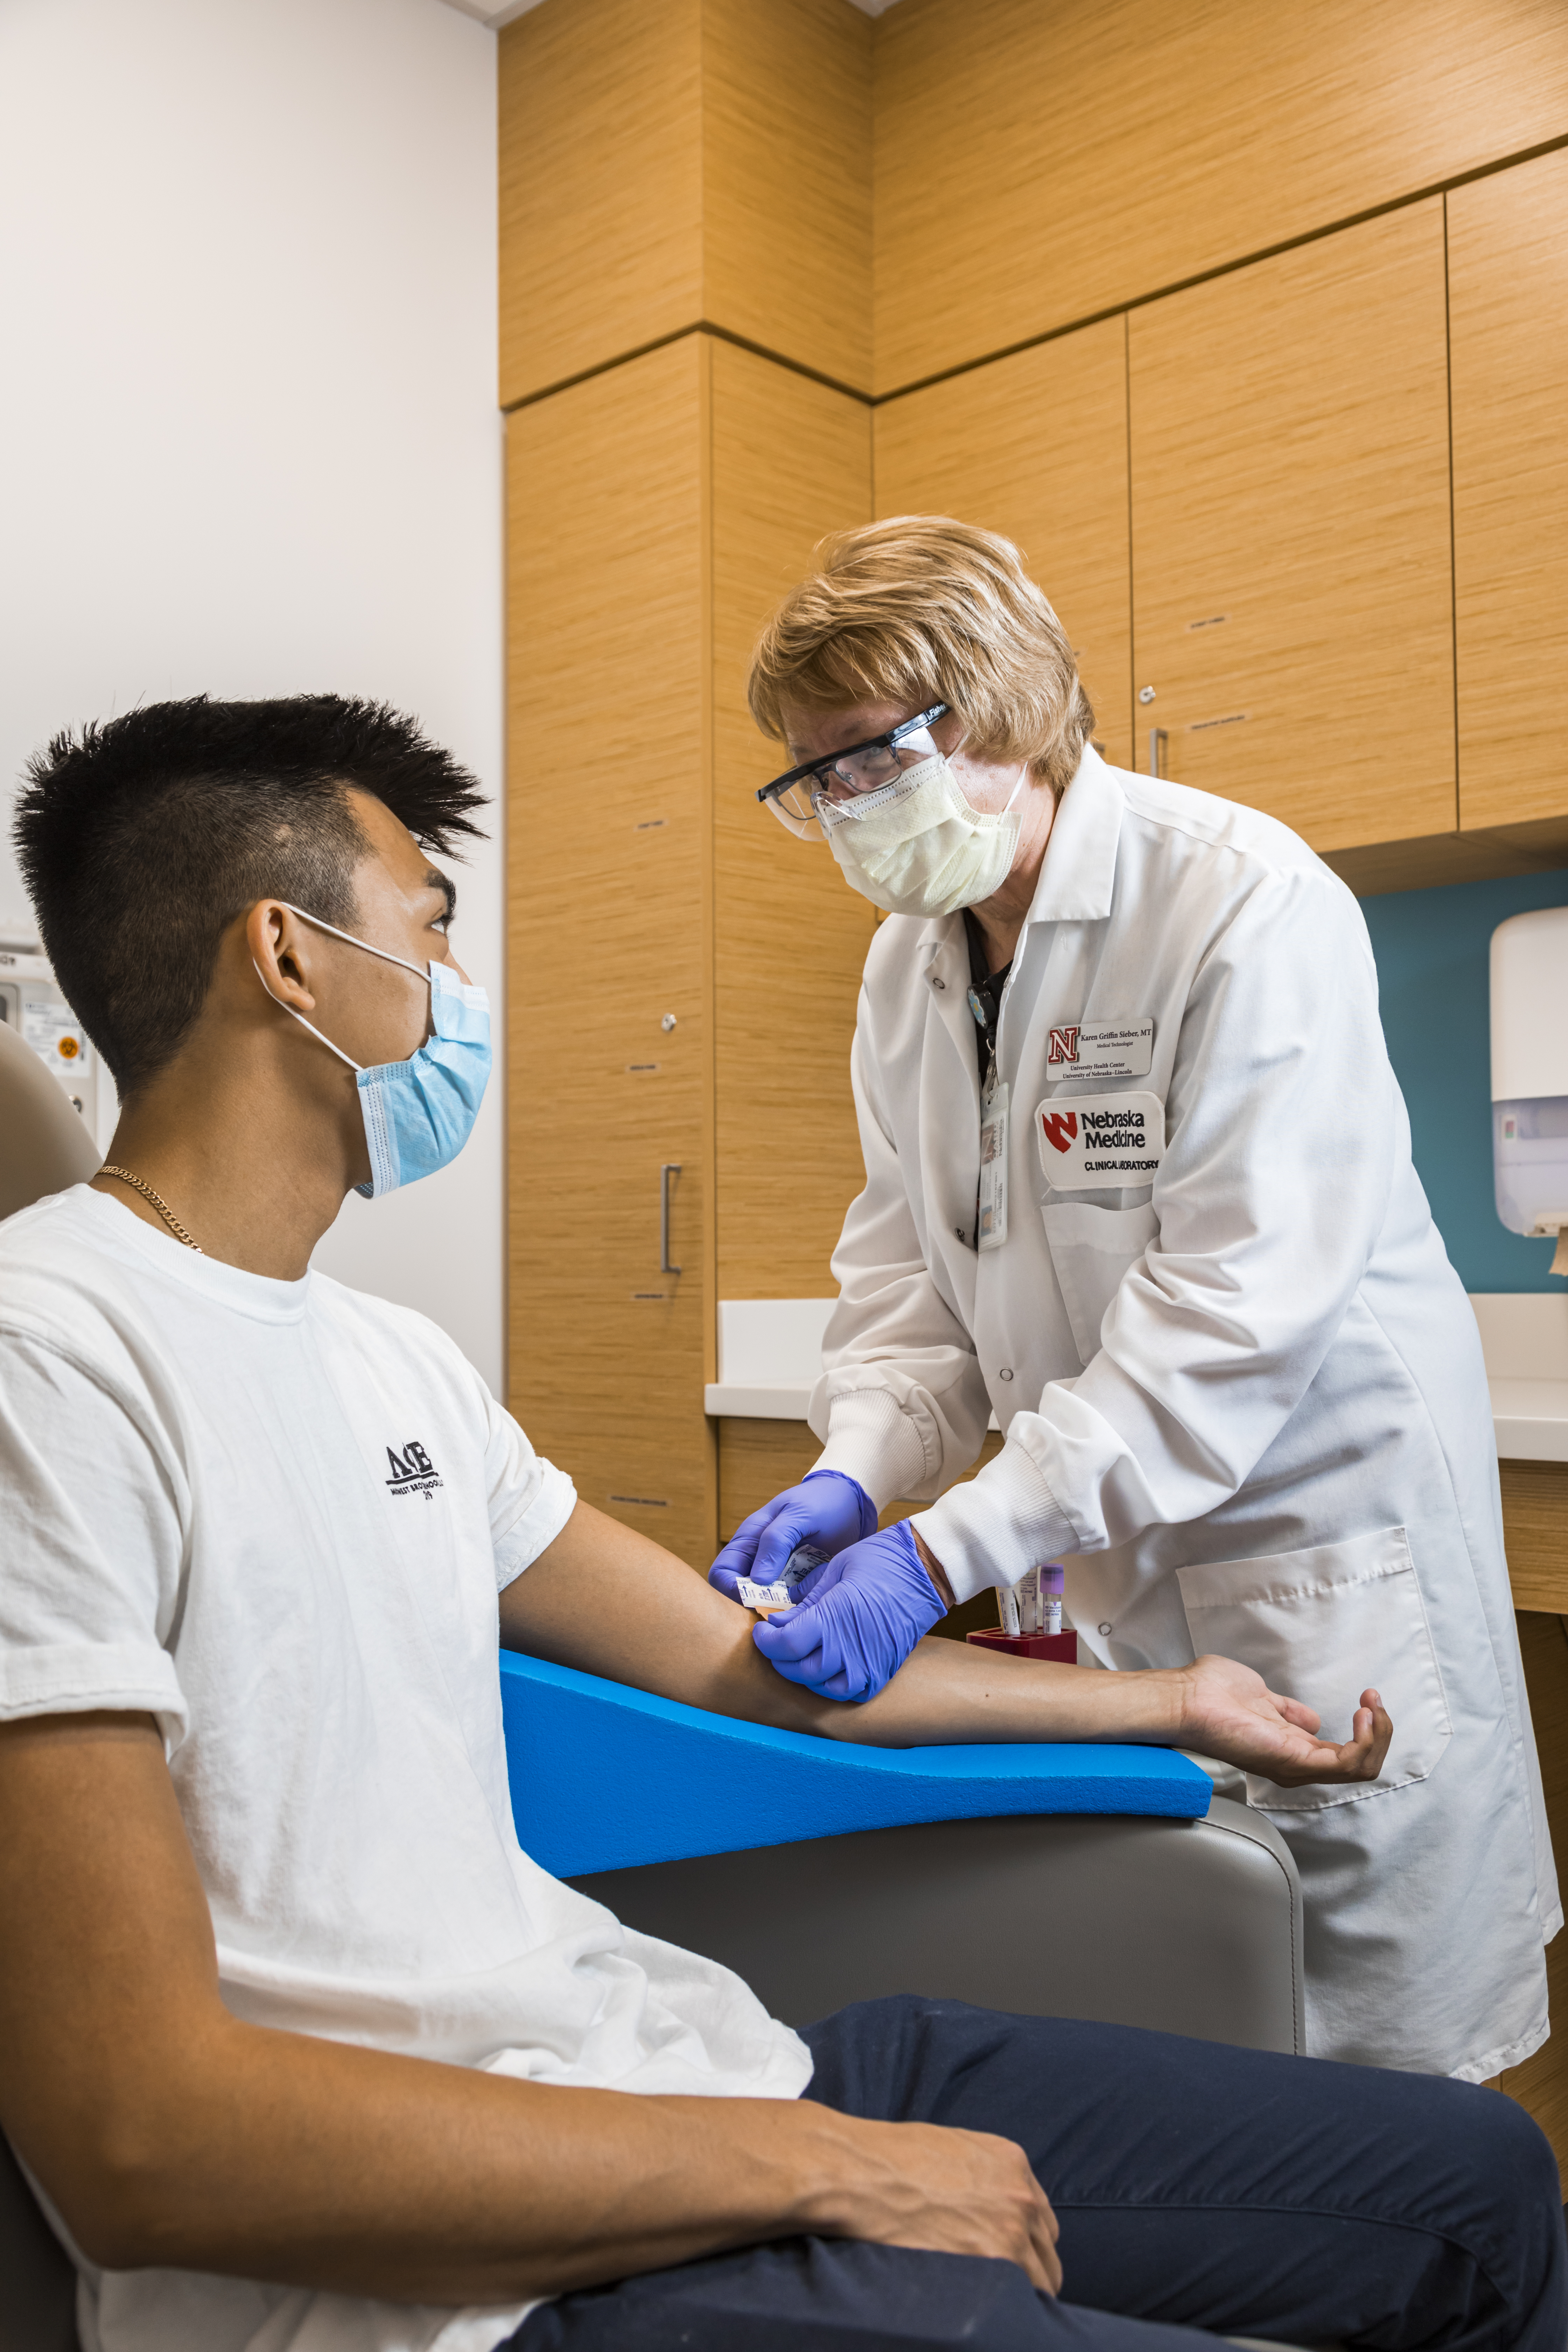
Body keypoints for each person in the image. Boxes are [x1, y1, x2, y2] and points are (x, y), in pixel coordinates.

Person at [0, 694, 1555, 2352]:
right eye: (433, 929)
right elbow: (140, 2143)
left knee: (1480, 2186)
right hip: (454, 2276)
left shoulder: (395, 1361)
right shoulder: (53, 1361)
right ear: (290, 959)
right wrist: (810, 2170)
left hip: (678, 2067)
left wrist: (1171, 1701)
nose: (460, 994)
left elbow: (744, 1662)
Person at [711, 516, 1557, 2084]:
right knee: (1191, 2022)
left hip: (1309, 1542)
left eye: (866, 757)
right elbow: (913, 1273)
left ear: (1002, 712)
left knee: (1380, 2062)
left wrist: (942, 1548)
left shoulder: (1237, 900)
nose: (841, 805)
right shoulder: (907, 969)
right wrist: (856, 1470)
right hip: (1115, 1562)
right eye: (809, 775)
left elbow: (1225, 1315)